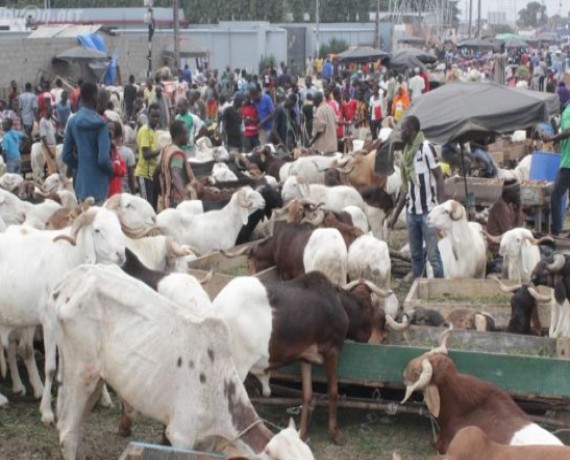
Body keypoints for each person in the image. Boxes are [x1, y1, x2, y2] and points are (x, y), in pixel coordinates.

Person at [388, 115, 444, 279]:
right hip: (412, 213)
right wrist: (395, 216)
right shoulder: (406, 153)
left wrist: (441, 208)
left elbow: (439, 177)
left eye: (403, 129)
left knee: (433, 257)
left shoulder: (426, 148)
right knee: (416, 256)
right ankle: (417, 289)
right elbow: (406, 189)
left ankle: (440, 290)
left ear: (411, 129)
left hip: (428, 213)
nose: (401, 132)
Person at [62, 82, 113, 204]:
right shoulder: (101, 124)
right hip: (99, 186)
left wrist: (80, 165)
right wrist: (111, 170)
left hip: (81, 185)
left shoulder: (73, 121)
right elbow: (103, 159)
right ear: (94, 98)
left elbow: (66, 155)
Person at [545, 102, 570, 236]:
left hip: (568, 163)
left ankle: (556, 231)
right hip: (566, 159)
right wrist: (555, 136)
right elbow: (563, 132)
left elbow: (568, 132)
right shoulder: (566, 110)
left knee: (555, 194)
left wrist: (551, 138)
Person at [158, 119, 195, 209]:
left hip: (167, 198)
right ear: (178, 135)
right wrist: (184, 197)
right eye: (185, 133)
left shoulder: (167, 149)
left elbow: (158, 171)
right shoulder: (177, 154)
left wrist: (162, 192)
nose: (188, 136)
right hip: (177, 201)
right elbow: (176, 176)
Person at [486, 179, 526, 255]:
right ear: (509, 193)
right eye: (517, 192)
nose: (519, 194)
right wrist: (520, 208)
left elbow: (517, 228)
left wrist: (518, 209)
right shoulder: (501, 207)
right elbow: (512, 235)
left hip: (505, 244)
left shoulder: (508, 205)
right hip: (497, 249)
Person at [135, 103, 162, 209]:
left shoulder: (153, 131)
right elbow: (146, 154)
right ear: (148, 115)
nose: (155, 119)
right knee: (147, 207)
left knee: (154, 206)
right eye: (153, 116)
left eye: (157, 117)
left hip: (152, 175)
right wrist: (160, 151)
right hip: (144, 175)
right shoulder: (145, 131)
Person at [107, 120, 127, 198]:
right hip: (108, 193)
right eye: (108, 129)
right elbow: (118, 169)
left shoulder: (114, 150)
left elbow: (122, 171)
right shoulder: (106, 150)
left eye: (112, 130)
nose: (110, 132)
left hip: (116, 192)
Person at [39, 105, 58, 177]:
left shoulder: (50, 120)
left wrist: (52, 117)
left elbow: (58, 122)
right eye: (50, 111)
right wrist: (49, 150)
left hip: (53, 145)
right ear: (46, 111)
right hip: (47, 146)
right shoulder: (42, 121)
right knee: (50, 167)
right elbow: (43, 137)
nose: (52, 112)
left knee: (55, 165)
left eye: (52, 111)